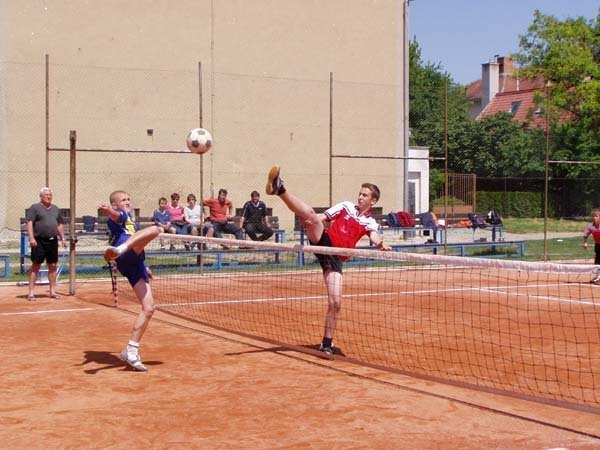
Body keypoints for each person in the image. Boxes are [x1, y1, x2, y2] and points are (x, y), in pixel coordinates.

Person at [265, 166, 390, 357]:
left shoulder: (370, 222)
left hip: (336, 258)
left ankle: (326, 343)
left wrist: (380, 243)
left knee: (336, 302)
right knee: (311, 215)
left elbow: (374, 237)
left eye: (365, 195)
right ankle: (280, 189)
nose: (360, 197)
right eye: (360, 194)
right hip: (324, 242)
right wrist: (311, 221)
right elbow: (323, 217)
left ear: (373, 201)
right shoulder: (346, 206)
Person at [99, 190, 162, 372]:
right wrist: (109, 210)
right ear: (115, 204)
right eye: (123, 200)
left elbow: (138, 241)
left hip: (135, 263)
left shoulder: (130, 221)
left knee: (149, 308)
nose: (127, 202)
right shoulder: (120, 216)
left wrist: (144, 265)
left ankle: (131, 350)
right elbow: (116, 215)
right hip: (125, 254)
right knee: (156, 229)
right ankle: (120, 249)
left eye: (128, 199)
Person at [26, 187, 66, 300]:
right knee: (36, 266)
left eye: (50, 195)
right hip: (39, 240)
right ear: (41, 196)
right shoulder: (35, 208)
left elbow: (59, 224)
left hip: (53, 241)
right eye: (46, 195)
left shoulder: (55, 208)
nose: (48, 197)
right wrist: (31, 238)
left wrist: (62, 238)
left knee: (52, 266)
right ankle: (31, 293)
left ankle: (52, 292)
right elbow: (29, 223)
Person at [583, 209, 600, 284]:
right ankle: (598, 277)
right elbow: (585, 235)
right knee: (597, 261)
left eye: (596, 216)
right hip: (597, 245)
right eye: (593, 216)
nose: (594, 217)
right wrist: (585, 243)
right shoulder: (590, 226)